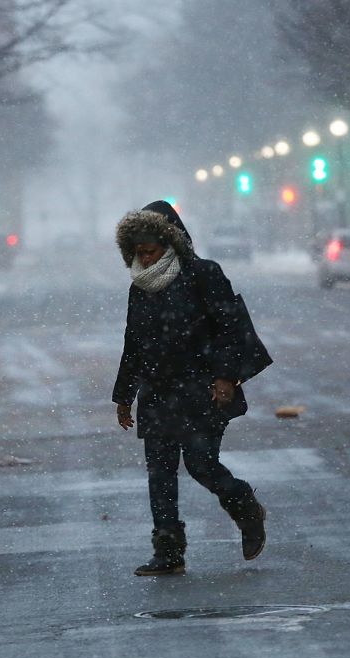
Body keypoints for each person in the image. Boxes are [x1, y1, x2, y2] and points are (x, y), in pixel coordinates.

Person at [112, 200, 266, 576]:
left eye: (150, 251)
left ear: (170, 244)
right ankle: (168, 552)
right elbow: (134, 342)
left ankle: (245, 508)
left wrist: (226, 377)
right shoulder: (140, 288)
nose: (144, 260)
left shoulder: (204, 275)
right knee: (160, 474)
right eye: (137, 254)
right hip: (158, 393)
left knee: (201, 464)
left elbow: (231, 329)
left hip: (202, 390)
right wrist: (123, 395)